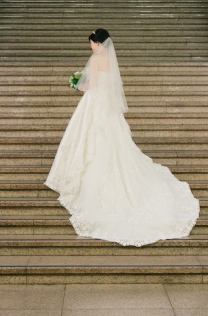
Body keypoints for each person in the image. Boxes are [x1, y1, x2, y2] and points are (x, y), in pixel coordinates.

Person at [45, 28, 199, 246]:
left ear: (96, 43)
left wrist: (77, 84)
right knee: (111, 141)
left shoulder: (97, 58)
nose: (90, 46)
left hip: (95, 105)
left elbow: (92, 86)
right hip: (108, 109)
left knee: (91, 139)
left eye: (91, 42)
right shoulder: (109, 59)